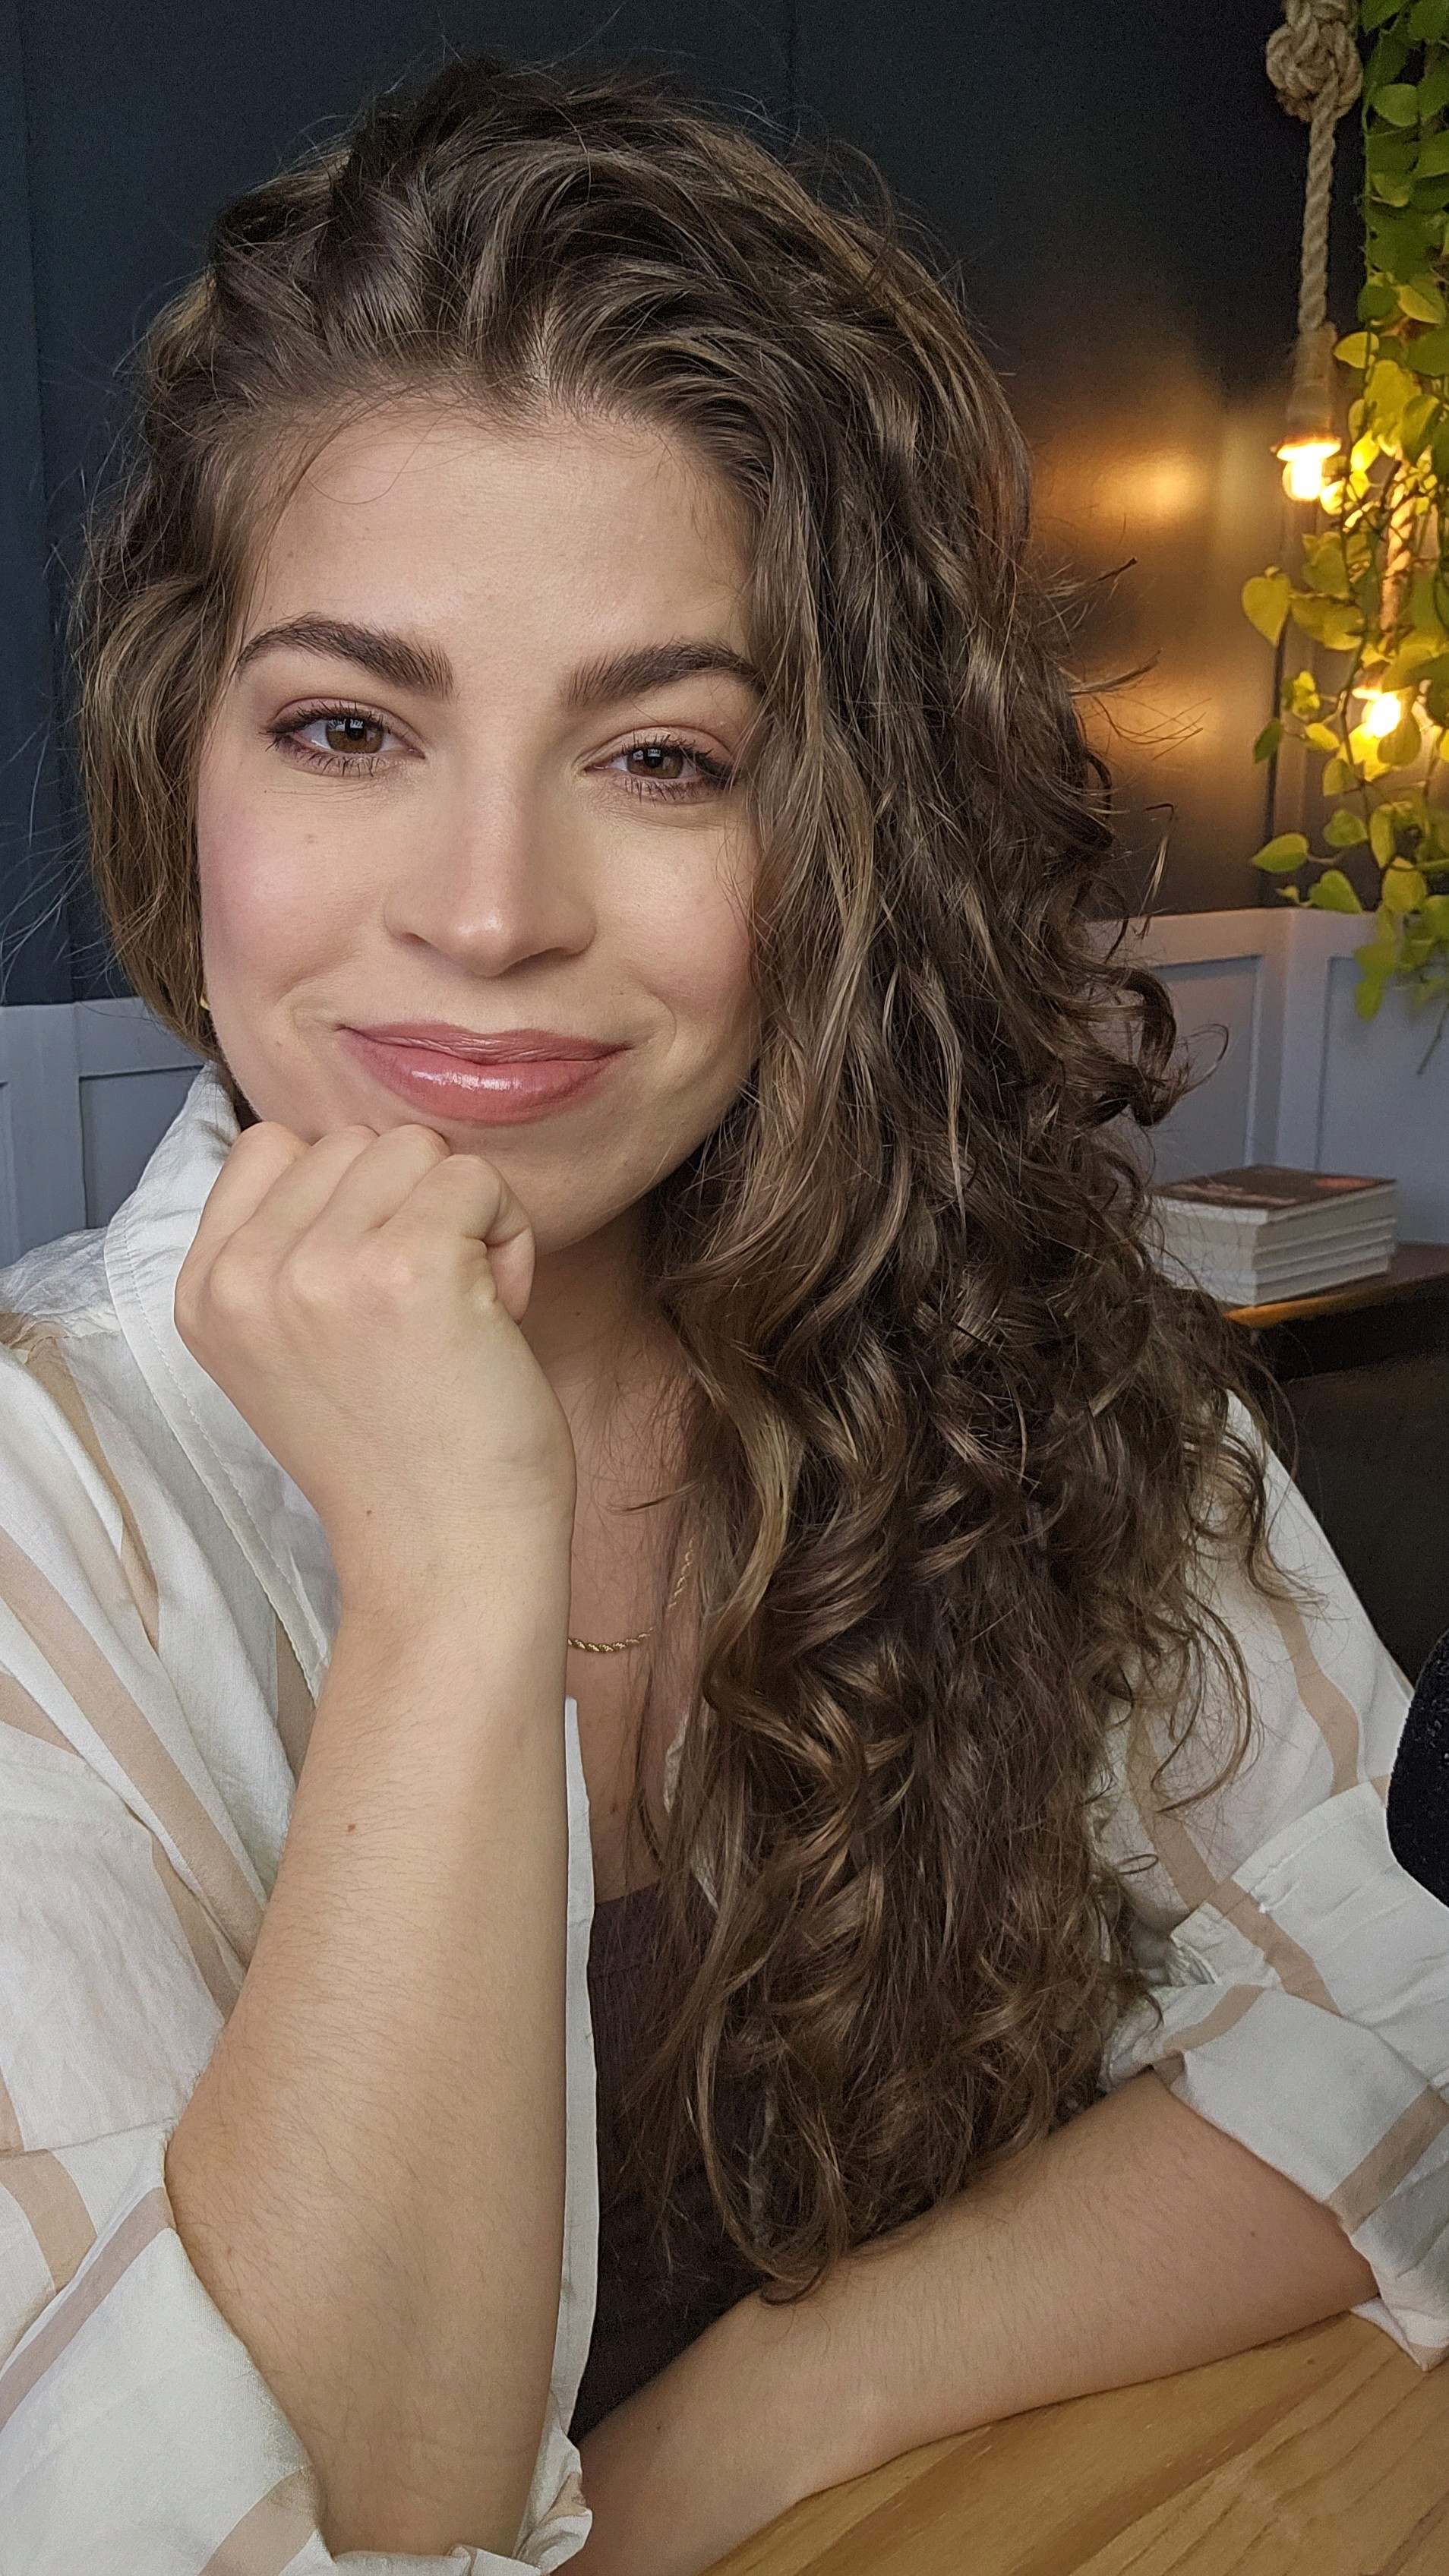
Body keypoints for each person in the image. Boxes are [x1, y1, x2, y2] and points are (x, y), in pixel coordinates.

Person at [0, 52, 1444, 2576]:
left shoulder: (1041, 1357)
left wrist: (788, 2389)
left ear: (836, 839)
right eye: (349, 725)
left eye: (664, 757)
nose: (484, 906)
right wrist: (459, 1574)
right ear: (178, 766)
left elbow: (1397, 2023)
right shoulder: (38, 1511)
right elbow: (253, 2532)